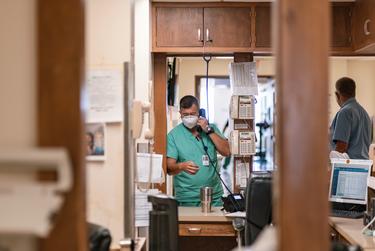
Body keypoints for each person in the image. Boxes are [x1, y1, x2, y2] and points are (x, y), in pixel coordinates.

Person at [167, 95, 231, 206]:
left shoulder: (212, 129)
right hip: (187, 199)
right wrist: (181, 166)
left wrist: (208, 131)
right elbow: (169, 168)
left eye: (192, 114)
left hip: (214, 197)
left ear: (199, 113)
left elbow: (226, 151)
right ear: (180, 113)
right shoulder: (173, 136)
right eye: (185, 115)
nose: (189, 117)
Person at [330, 77, 372, 159]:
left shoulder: (345, 112)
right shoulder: (365, 114)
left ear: (337, 94)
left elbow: (341, 148)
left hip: (349, 168)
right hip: (364, 166)